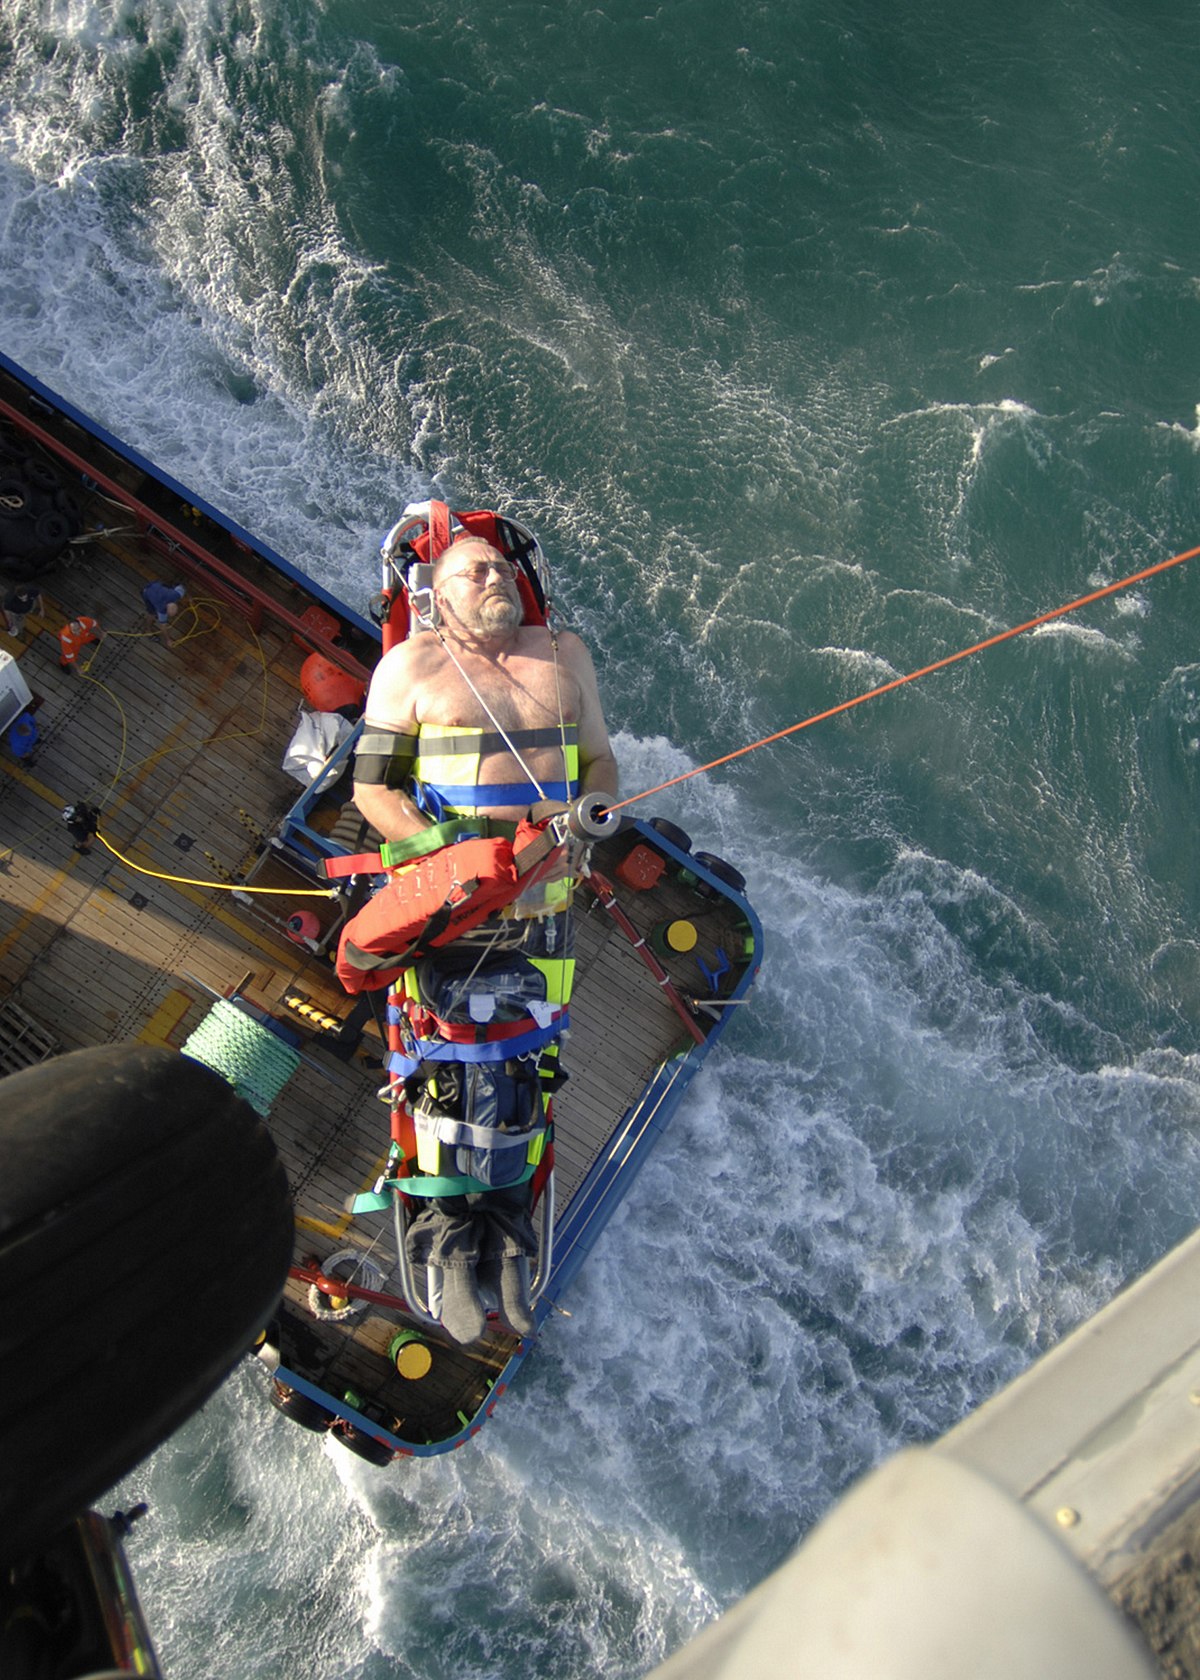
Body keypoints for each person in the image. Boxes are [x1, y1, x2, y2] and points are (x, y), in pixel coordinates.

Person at [350, 533, 618, 1346]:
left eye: (504, 566)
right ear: (436, 592)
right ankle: (445, 1232)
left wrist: (596, 817)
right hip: (454, 902)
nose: (497, 576)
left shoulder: (564, 655)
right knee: (445, 1058)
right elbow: (372, 788)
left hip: (544, 902)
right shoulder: (411, 669)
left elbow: (601, 761)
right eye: (477, 569)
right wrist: (443, 859)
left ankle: (507, 1234)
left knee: (524, 1055)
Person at [141, 580, 187, 648]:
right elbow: (163, 627)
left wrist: (189, 598)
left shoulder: (176, 595)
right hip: (147, 592)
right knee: (152, 614)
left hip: (156, 584)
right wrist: (168, 640)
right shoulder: (161, 609)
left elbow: (182, 586)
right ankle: (148, 630)